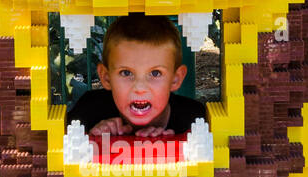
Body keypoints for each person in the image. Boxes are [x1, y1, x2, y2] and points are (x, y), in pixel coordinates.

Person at [66, 13, 208, 138]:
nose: (140, 88)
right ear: (106, 77)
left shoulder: (196, 121)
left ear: (175, 79)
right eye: (126, 73)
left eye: (155, 73)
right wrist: (91, 140)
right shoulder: (86, 114)